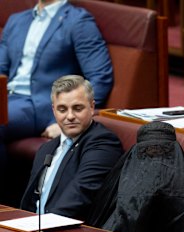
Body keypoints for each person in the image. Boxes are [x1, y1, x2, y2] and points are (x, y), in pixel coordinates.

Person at [0, 0, 113, 167]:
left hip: (40, 105)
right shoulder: (17, 20)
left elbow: (100, 76)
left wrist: (66, 117)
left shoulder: (78, 21)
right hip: (8, 98)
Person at [20, 75, 123, 220]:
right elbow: (30, 201)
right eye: (62, 109)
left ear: (92, 107)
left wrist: (43, 228)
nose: (70, 116)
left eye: (77, 108)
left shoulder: (103, 143)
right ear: (53, 110)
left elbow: (80, 193)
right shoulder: (46, 149)